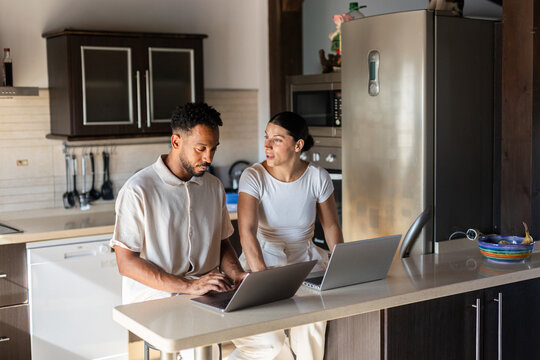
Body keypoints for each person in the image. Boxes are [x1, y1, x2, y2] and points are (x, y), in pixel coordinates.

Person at [110, 102, 246, 357]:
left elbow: (221, 243)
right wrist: (187, 286)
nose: (209, 158)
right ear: (176, 142)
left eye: (213, 149)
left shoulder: (213, 186)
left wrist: (238, 275)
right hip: (156, 298)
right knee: (199, 346)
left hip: (204, 290)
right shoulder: (138, 190)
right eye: (201, 148)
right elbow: (126, 263)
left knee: (266, 337)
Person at [230, 111, 344, 360]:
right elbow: (246, 231)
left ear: (297, 145)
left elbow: (332, 227)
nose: (267, 145)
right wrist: (263, 280)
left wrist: (341, 268)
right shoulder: (254, 176)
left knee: (311, 324)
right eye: (266, 137)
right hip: (262, 261)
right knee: (270, 341)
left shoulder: (317, 177)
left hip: (304, 263)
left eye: (277, 139)